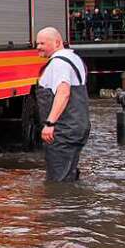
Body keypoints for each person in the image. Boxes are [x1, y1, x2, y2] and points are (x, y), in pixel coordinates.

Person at [35, 26, 90, 182]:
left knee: (58, 181)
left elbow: (63, 93)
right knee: (69, 174)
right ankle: (74, 203)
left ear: (57, 42)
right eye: (37, 43)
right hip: (77, 126)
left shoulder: (58, 63)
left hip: (62, 130)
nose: (38, 47)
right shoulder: (74, 58)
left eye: (42, 43)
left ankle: (62, 205)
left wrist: (50, 123)